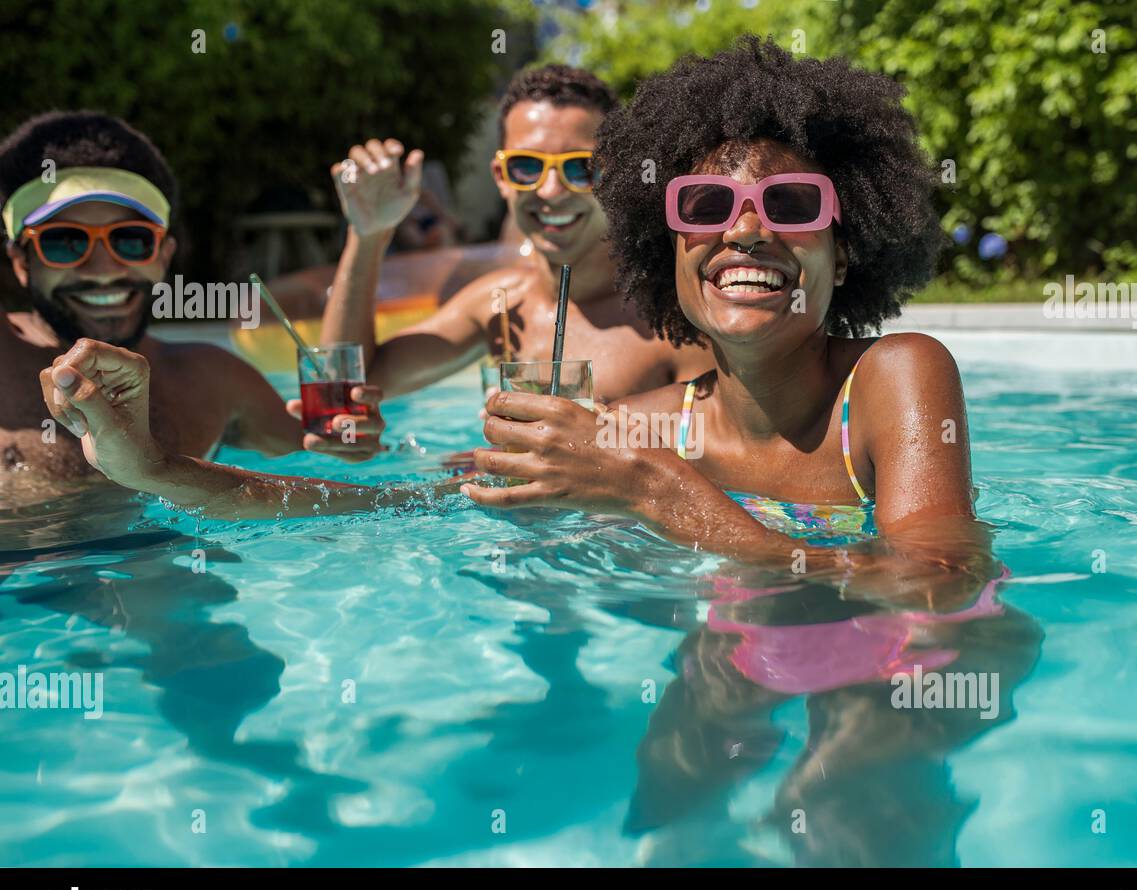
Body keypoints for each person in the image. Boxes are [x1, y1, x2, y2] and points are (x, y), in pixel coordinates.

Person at [41, 39, 997, 608]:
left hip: (882, 690)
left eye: (791, 205)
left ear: (849, 242)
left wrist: (656, 492)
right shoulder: (634, 425)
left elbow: (937, 584)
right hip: (731, 660)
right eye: (705, 207)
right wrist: (155, 470)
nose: (746, 231)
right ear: (665, 242)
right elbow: (378, 503)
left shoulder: (893, 378)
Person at [0, 111, 384, 508]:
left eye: (131, 240)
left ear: (164, 255)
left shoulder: (214, 379)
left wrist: (354, 441)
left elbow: (336, 477)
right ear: (20, 261)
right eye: (64, 242)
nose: (103, 271)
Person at [318, 64, 713, 404]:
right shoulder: (502, 308)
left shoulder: (674, 323)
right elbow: (346, 389)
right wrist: (368, 235)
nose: (550, 191)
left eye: (581, 168)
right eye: (527, 167)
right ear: (500, 178)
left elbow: (732, 465)